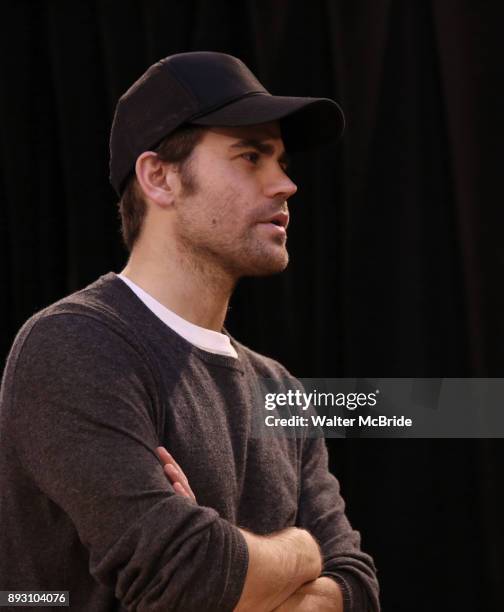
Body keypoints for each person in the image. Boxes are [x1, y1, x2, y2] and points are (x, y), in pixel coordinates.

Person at [0, 52, 379, 611]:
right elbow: (187, 582)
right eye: (251, 156)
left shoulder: (282, 389)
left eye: (281, 160)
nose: (286, 185)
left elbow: (359, 588)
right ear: (160, 177)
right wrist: (301, 550)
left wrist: (227, 561)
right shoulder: (75, 346)